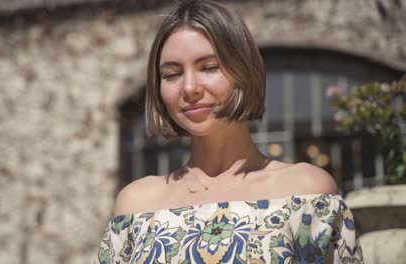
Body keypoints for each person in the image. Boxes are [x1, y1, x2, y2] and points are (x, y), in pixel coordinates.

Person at [96, 0, 363, 263]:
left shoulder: (307, 193)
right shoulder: (135, 207)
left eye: (210, 68)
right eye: (172, 74)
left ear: (245, 73)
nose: (189, 88)